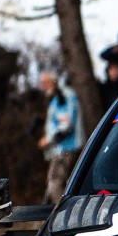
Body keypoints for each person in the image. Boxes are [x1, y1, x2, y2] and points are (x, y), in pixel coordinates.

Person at [37, 71, 82, 204]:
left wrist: (48, 139)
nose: (43, 86)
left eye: (45, 82)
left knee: (55, 184)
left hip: (67, 148)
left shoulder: (64, 96)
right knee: (60, 184)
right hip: (61, 149)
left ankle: (63, 213)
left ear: (53, 81)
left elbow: (66, 125)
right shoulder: (57, 97)